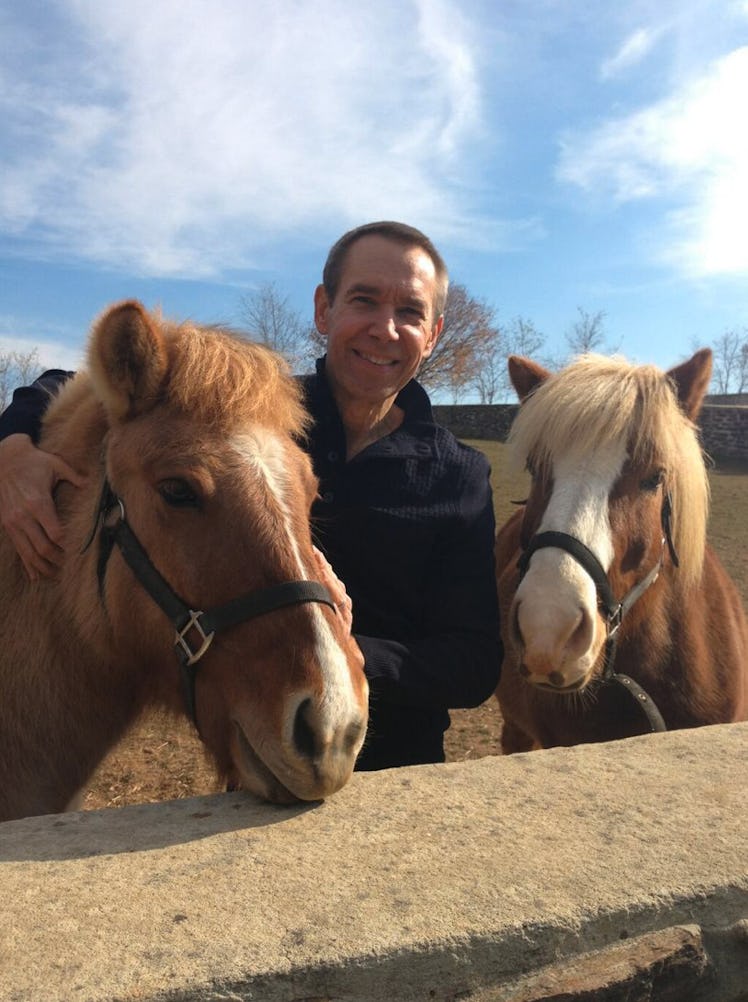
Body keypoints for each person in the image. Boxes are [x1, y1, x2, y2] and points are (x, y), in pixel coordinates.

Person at [0, 221, 502, 771]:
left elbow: (473, 662)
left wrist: (346, 657)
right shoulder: (258, 416)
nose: (386, 328)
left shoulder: (460, 475)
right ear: (323, 310)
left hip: (394, 768)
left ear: (432, 334)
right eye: (364, 299)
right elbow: (81, 378)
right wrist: (13, 445)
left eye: (411, 312)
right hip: (262, 741)